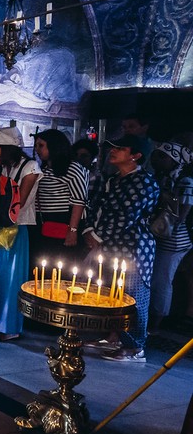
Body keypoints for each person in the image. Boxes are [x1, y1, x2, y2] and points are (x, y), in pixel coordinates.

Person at [81, 135, 159, 361]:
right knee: (111, 292)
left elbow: (126, 215)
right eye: (112, 148)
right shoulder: (113, 179)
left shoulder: (143, 181)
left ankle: (135, 347)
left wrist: (97, 235)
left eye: (120, 148)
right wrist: (88, 230)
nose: (112, 152)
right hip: (109, 246)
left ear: (136, 155)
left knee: (132, 295)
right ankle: (114, 336)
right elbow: (96, 206)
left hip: (134, 248)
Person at [0, 126, 40, 341]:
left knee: (10, 278)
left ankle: (9, 327)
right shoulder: (3, 167)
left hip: (17, 227)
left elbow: (22, 199)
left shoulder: (31, 167)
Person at [149, 142, 193, 328]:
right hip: (157, 238)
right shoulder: (159, 178)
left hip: (173, 241)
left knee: (161, 281)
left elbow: (181, 216)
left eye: (163, 156)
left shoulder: (185, 182)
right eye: (156, 155)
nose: (156, 160)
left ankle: (156, 323)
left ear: (176, 161)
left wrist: (168, 199)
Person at [32, 129, 90, 264]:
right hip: (43, 221)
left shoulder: (72, 168)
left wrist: (73, 230)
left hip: (63, 220)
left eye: (41, 145)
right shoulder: (45, 168)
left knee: (61, 264)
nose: (37, 150)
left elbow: (79, 201)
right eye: (36, 146)